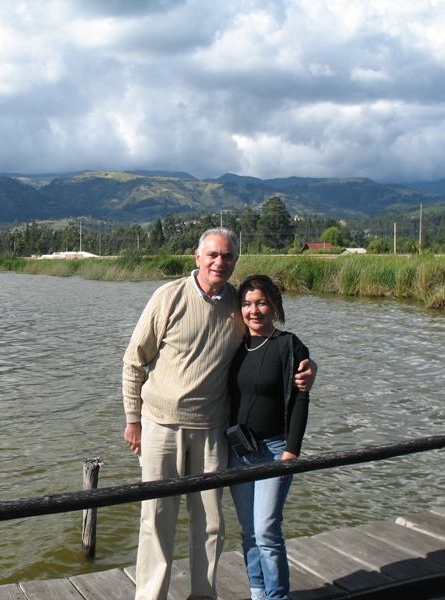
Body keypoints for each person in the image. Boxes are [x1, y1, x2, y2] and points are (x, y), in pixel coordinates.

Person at [123, 228, 316, 600]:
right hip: (161, 426)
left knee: (211, 523)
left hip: (213, 430)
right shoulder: (168, 297)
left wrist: (308, 368)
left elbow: (270, 345)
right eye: (212, 255)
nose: (219, 262)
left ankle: (203, 596)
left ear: (235, 262)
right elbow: (134, 361)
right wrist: (133, 420)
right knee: (157, 520)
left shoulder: (238, 303)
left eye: (227, 256)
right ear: (197, 257)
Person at [227, 275, 311, 600]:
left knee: (266, 530)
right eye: (246, 304)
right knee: (248, 531)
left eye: (261, 302)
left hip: (275, 450)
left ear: (274, 304)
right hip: (238, 452)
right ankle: (257, 592)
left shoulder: (289, 345)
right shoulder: (236, 346)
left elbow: (301, 399)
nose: (254, 310)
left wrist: (292, 451)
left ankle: (277, 597)